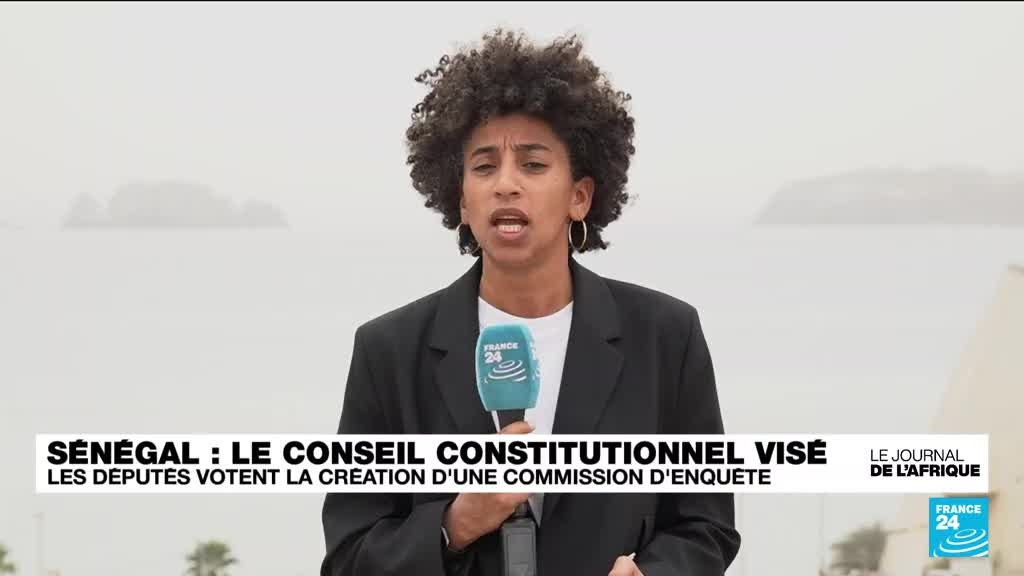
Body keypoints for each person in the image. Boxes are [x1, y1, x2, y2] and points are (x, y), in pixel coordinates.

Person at [320, 29, 740, 576]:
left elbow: (706, 526)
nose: (506, 185)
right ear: (461, 201)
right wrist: (455, 523)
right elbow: (349, 557)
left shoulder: (667, 336)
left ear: (579, 196)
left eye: (533, 165)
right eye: (484, 166)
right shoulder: (388, 352)